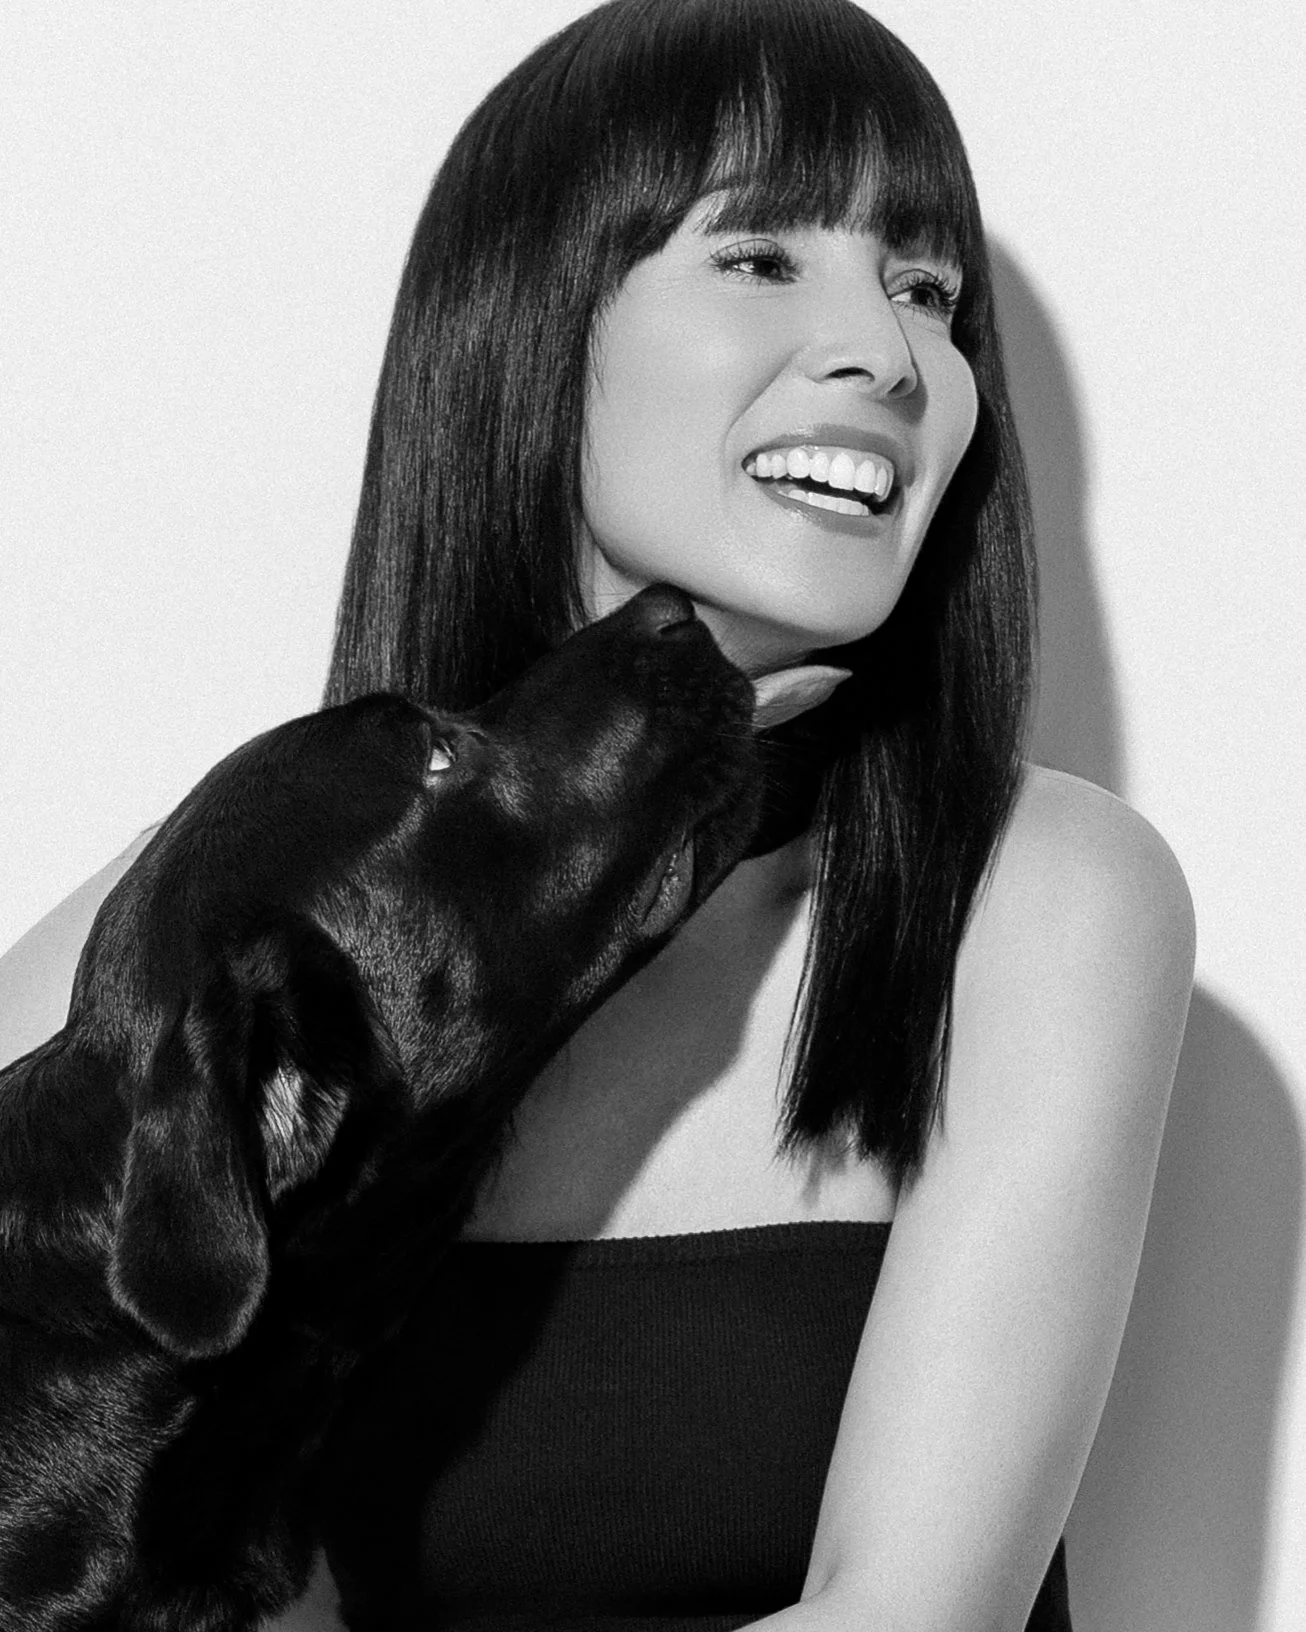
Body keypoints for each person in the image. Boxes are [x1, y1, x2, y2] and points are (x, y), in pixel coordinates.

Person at [0, 1, 1196, 1627]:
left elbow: (904, 1618)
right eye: (763, 258)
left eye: (926, 290)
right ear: (533, 327)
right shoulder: (249, 911)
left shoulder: (1042, 896)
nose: (890, 353)